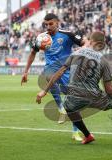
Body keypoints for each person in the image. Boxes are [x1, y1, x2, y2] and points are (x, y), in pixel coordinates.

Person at [36, 31, 112, 147]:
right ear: (103, 44)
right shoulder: (104, 61)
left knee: (68, 108)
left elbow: (59, 73)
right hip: (94, 95)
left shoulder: (76, 53)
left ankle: (87, 135)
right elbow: (109, 89)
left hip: (74, 95)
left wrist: (44, 91)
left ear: (91, 41)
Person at [21, 13, 83, 141]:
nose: (48, 26)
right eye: (46, 24)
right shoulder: (42, 38)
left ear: (57, 23)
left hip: (66, 70)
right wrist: (25, 71)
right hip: (50, 69)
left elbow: (84, 43)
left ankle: (76, 132)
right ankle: (60, 107)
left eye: (51, 24)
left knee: (73, 104)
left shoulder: (67, 35)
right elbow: (33, 53)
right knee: (48, 75)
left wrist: (81, 53)